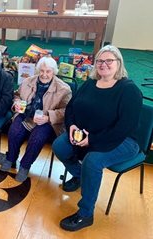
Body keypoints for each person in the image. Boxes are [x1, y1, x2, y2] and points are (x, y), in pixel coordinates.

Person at [52, 45, 143, 231]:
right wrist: (73, 126)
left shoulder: (129, 90)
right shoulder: (90, 83)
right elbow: (71, 109)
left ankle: (85, 214)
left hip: (124, 140)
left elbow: (123, 128)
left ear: (119, 63)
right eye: (100, 61)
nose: (104, 64)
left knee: (93, 161)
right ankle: (79, 176)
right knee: (60, 146)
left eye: (109, 60)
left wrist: (91, 140)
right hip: (87, 133)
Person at [0, 56, 72, 182]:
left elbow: (66, 111)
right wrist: (16, 103)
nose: (44, 75)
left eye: (48, 71)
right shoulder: (28, 81)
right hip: (26, 114)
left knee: (37, 138)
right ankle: (11, 158)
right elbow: (16, 95)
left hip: (47, 121)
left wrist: (48, 117)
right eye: (42, 71)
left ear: (54, 72)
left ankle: (25, 166)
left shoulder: (64, 89)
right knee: (14, 131)